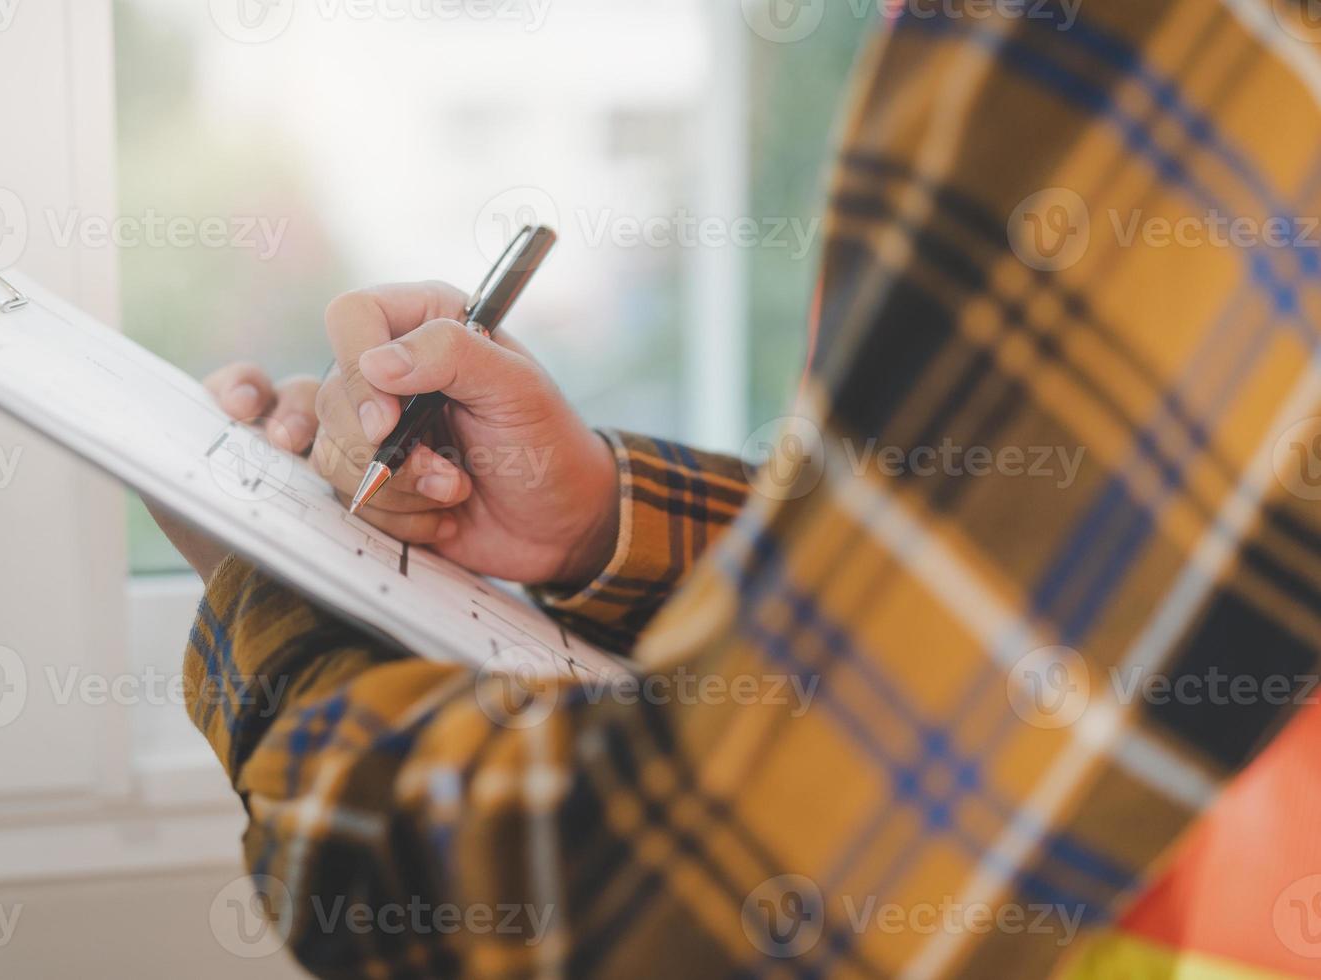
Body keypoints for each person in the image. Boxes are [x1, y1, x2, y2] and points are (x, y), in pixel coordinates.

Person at [152, 2, 1321, 975]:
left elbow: (637, 918)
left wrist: (279, 584)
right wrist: (604, 521)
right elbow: (1061, 578)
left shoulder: (1135, 44)